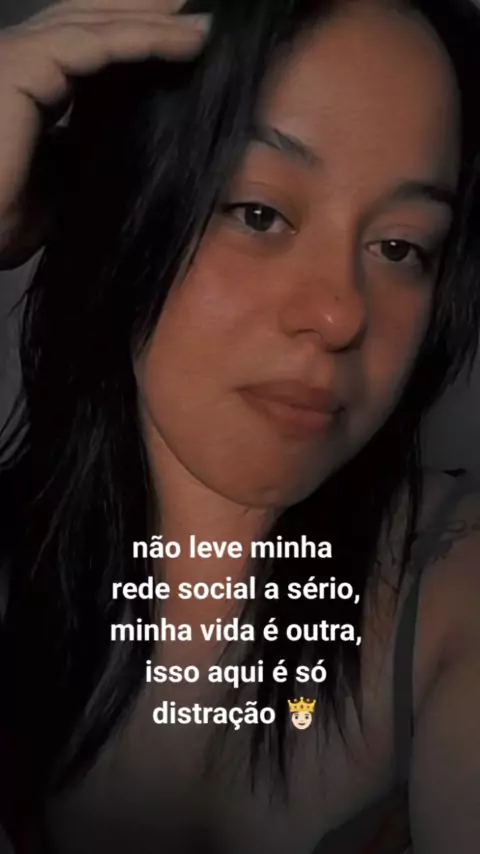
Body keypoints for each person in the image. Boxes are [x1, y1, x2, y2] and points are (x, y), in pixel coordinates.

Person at [0, 0, 480, 851]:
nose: (339, 314)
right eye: (259, 213)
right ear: (124, 206)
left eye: (401, 247)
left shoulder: (457, 598)